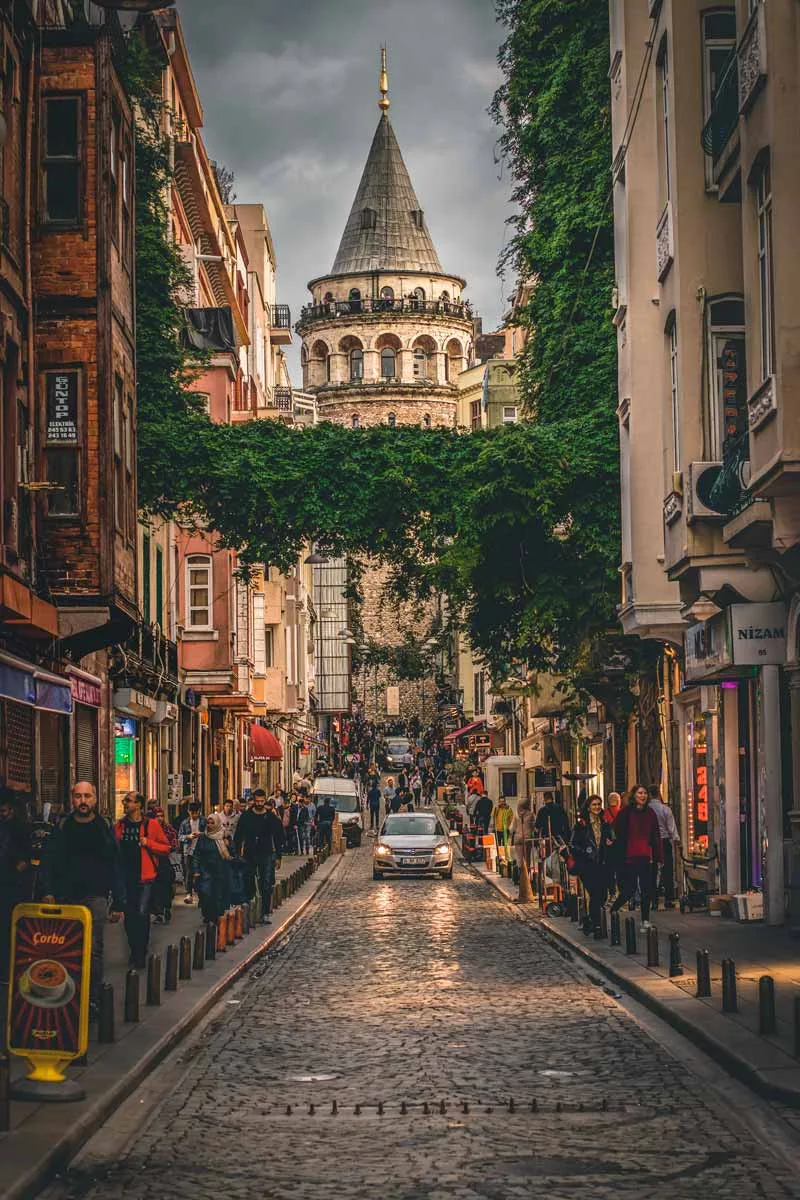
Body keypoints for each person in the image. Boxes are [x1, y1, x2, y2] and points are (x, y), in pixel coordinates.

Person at [41, 781, 124, 1012]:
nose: (83, 801)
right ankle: (66, 993)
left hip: (95, 896)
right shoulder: (63, 826)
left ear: (95, 799)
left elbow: (115, 864)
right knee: (64, 947)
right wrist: (47, 890)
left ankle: (92, 996)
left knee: (93, 948)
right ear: (72, 799)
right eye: (78, 796)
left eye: (87, 796)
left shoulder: (103, 826)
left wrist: (118, 901)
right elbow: (49, 859)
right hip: (65, 896)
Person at [115, 792, 171, 969]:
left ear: (138, 805)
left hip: (145, 876)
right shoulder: (119, 826)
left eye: (128, 801)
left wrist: (148, 843)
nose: (125, 804)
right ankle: (134, 948)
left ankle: (141, 952)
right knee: (129, 917)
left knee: (141, 914)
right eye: (125, 801)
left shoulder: (151, 825)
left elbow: (166, 848)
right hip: (126, 878)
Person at [610, 784, 662, 931]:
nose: (643, 796)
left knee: (647, 890)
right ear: (634, 795)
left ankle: (645, 920)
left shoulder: (650, 813)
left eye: (644, 793)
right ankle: (613, 910)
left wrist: (658, 856)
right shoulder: (626, 812)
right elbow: (614, 829)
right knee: (629, 889)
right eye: (640, 793)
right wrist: (613, 842)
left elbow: (656, 835)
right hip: (629, 857)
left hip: (646, 856)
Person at [234, 789, 284, 923]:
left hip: (266, 853)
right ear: (254, 800)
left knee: (266, 883)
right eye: (257, 801)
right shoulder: (246, 816)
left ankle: (265, 913)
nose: (260, 804)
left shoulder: (270, 817)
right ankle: (249, 910)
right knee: (248, 881)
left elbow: (278, 837)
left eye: (262, 801)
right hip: (250, 853)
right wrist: (237, 853)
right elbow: (238, 835)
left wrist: (278, 856)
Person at [570, 795, 615, 935]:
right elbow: (572, 844)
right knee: (595, 893)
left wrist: (610, 842)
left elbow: (612, 838)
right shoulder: (581, 825)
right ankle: (596, 924)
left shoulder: (605, 823)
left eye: (599, 804)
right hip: (587, 865)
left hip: (602, 863)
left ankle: (590, 921)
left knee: (602, 895)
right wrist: (585, 851)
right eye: (594, 804)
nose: (597, 807)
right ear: (588, 807)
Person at [0, 789, 32, 986]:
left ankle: (8, 968)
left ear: (11, 809)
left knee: (8, 928)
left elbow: (27, 859)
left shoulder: (20, 828)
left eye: (3, 810)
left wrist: (17, 871)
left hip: (11, 886)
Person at [193, 813, 232, 924]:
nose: (210, 825)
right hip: (206, 870)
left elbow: (231, 854)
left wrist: (228, 845)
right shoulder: (203, 837)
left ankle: (217, 915)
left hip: (220, 869)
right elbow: (197, 854)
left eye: (212, 823)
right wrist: (196, 870)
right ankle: (207, 913)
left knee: (218, 894)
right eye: (208, 823)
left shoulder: (224, 836)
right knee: (206, 893)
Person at [647, 785, 680, 910]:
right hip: (664, 841)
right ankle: (669, 899)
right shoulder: (665, 809)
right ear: (659, 793)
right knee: (668, 871)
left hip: (651, 843)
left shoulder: (647, 809)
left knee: (652, 871)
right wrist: (676, 840)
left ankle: (654, 900)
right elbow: (671, 827)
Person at [148, 804, 177, 924]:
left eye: (161, 816)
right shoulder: (148, 829)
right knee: (155, 889)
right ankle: (158, 913)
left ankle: (166, 909)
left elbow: (173, 844)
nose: (159, 818)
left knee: (166, 888)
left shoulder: (168, 829)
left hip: (164, 862)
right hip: (152, 862)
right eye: (157, 816)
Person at [178, 801, 205, 904]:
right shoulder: (184, 823)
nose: (194, 815)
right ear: (188, 811)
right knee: (188, 873)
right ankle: (189, 893)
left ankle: (201, 893)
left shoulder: (204, 821)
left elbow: (209, 833)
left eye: (196, 813)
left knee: (201, 872)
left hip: (201, 850)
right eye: (192, 813)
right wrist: (188, 837)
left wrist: (201, 834)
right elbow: (179, 836)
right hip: (188, 851)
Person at [510, 797, 534, 874]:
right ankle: (527, 874)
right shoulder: (531, 815)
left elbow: (512, 828)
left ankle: (520, 875)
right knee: (527, 858)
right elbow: (535, 826)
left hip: (518, 838)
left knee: (519, 858)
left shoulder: (516, 815)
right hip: (527, 838)